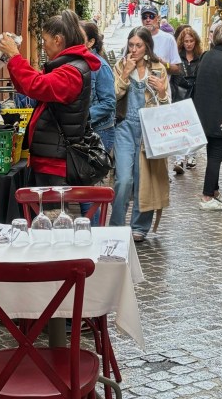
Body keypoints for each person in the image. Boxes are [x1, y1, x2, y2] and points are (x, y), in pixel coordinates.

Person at [0, 10, 100, 186]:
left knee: (50, 205)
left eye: (45, 40)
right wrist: (12, 60)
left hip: (56, 163)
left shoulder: (71, 72)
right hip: (51, 158)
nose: (43, 46)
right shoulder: (68, 66)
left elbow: (37, 85)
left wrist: (15, 56)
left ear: (58, 40)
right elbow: (31, 86)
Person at [110, 26, 170, 242]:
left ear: (147, 47)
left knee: (145, 179)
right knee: (124, 179)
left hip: (149, 131)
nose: (133, 49)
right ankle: (116, 225)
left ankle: (139, 227)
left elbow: (166, 105)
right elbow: (112, 97)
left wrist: (161, 91)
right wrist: (125, 74)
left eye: (138, 45)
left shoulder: (158, 69)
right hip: (124, 127)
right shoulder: (120, 66)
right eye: (131, 45)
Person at [192, 23, 222, 211]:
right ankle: (207, 196)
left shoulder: (207, 56)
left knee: (212, 153)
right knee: (215, 156)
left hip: (204, 116)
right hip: (221, 119)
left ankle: (214, 191)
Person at [80, 21, 117, 152]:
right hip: (82, 130)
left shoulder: (101, 66)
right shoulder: (76, 63)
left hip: (100, 132)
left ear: (90, 42)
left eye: (79, 37)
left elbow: (109, 102)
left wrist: (82, 116)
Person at [171, 26, 203, 174]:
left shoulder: (200, 58)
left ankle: (191, 156)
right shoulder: (177, 58)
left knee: (193, 127)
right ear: (182, 43)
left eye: (191, 41)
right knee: (179, 128)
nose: (189, 44)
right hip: (179, 96)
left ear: (195, 42)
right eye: (186, 41)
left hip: (195, 96)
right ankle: (179, 158)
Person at [140, 4, 181, 75]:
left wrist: (163, 64)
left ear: (158, 18)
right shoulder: (135, 37)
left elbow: (177, 69)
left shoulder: (168, 39)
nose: (148, 20)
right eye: (145, 17)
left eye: (151, 16)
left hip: (162, 81)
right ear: (142, 20)